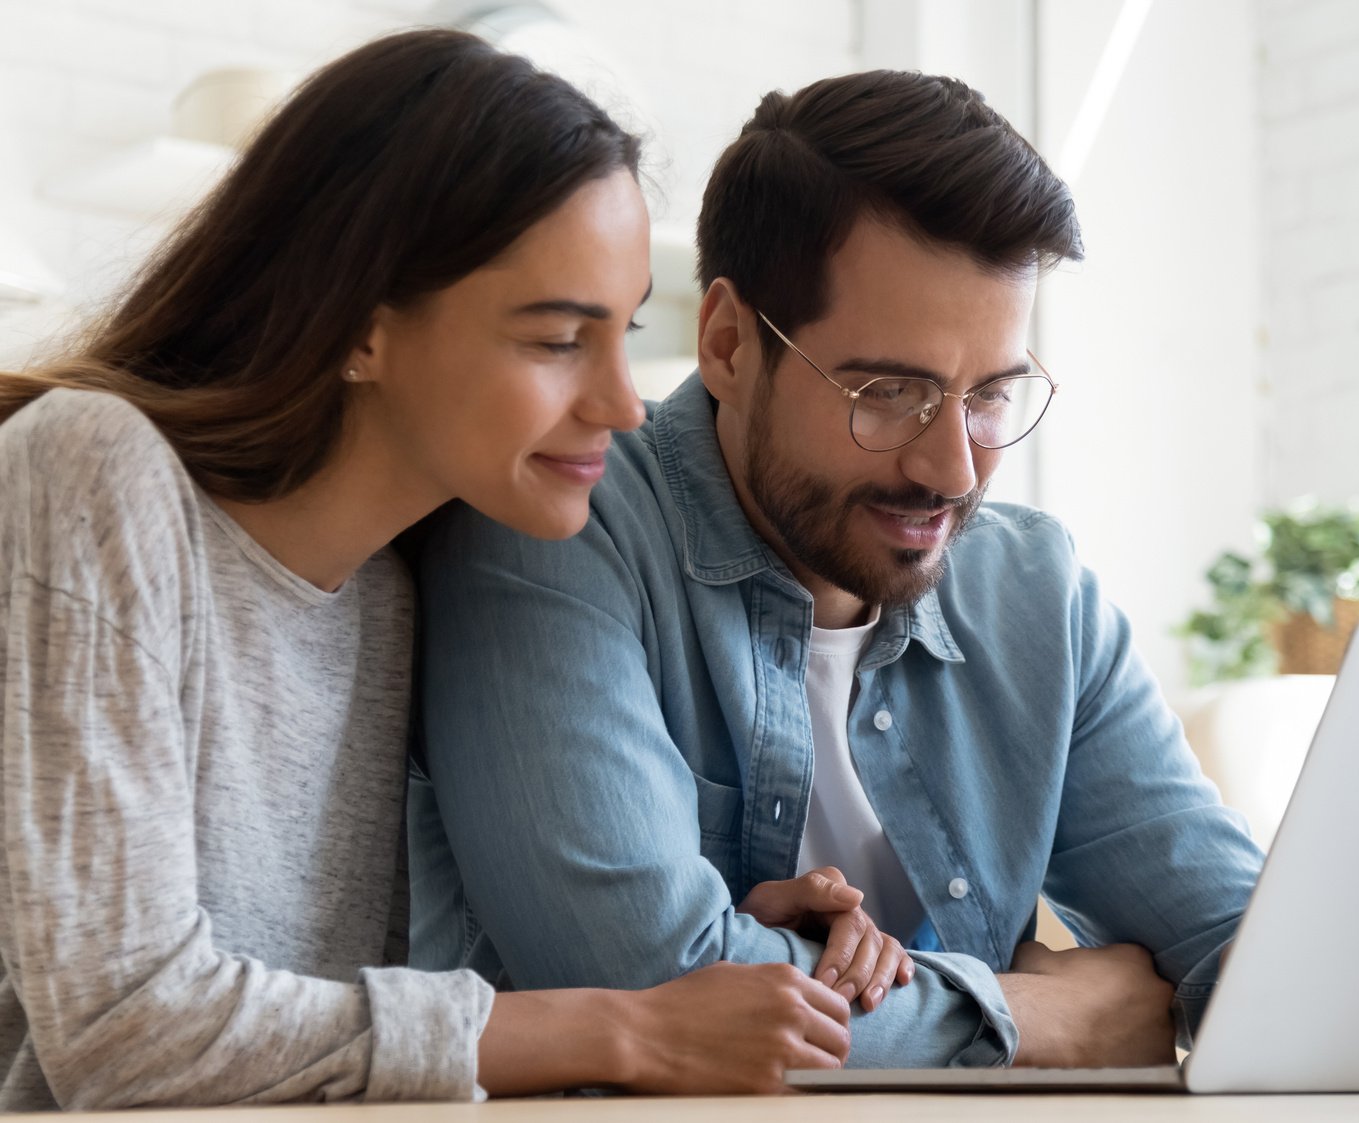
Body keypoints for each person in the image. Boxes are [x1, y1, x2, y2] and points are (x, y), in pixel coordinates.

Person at [0, 30, 915, 1111]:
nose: (625, 404)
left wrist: (736, 939)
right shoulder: (93, 471)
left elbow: (332, 1031)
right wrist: (625, 1025)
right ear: (360, 326)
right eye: (554, 339)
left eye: (620, 332)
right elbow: (128, 1034)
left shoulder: (385, 596)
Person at [411, 69, 1267, 1069]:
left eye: (990, 395)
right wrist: (1036, 1016)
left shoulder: (1033, 589)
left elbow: (1244, 946)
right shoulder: (555, 529)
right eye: (889, 391)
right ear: (729, 342)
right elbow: (646, 976)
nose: (951, 467)